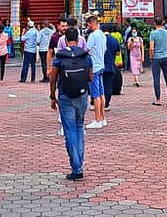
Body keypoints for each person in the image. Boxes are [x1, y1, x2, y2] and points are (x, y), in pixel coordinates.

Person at [50, 27, 94, 181]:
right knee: (80, 127)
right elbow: (90, 77)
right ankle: (79, 164)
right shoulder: (85, 56)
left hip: (65, 96)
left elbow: (53, 77)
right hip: (82, 95)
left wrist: (52, 96)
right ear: (78, 38)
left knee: (70, 130)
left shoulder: (60, 57)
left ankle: (76, 167)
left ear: (65, 39)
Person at [85, 15, 107, 129]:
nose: (88, 27)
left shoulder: (93, 36)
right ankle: (103, 118)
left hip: (94, 67)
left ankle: (98, 119)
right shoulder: (102, 34)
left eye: (88, 24)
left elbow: (86, 50)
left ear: (92, 23)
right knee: (101, 93)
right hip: (101, 65)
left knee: (96, 95)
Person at [149, 17, 167, 106]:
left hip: (156, 58)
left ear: (155, 23)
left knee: (156, 79)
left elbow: (151, 48)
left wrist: (151, 57)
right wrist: (165, 47)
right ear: (162, 23)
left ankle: (158, 100)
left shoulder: (153, 33)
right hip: (165, 57)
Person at [102, 27, 120, 110]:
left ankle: (96, 103)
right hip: (110, 65)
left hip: (100, 66)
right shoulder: (114, 40)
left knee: (99, 85)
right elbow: (118, 52)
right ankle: (107, 104)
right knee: (108, 85)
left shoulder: (100, 39)